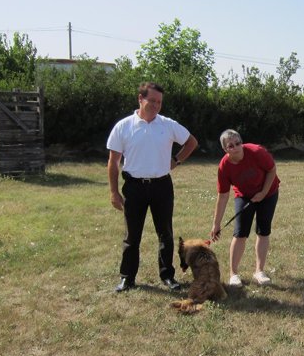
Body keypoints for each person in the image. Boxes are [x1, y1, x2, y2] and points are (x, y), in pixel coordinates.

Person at [107, 81, 198, 292]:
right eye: (152, 101)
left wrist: (176, 160)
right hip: (134, 187)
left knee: (165, 233)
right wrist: (113, 192)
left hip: (161, 186)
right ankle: (127, 278)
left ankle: (167, 276)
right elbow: (113, 162)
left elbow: (191, 142)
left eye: (159, 102)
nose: (156, 105)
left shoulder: (167, 124)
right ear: (140, 99)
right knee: (132, 236)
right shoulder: (124, 126)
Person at [210, 129, 279, 287]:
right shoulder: (224, 166)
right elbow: (223, 196)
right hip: (244, 195)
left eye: (238, 143)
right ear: (225, 149)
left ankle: (259, 271)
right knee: (240, 233)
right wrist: (216, 224)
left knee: (263, 230)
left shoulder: (256, 151)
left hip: (268, 193)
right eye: (231, 145)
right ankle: (233, 274)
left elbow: (272, 170)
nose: (236, 147)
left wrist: (263, 193)